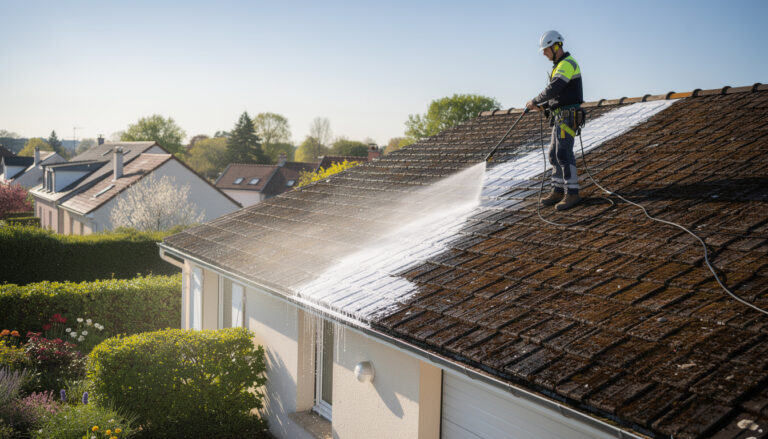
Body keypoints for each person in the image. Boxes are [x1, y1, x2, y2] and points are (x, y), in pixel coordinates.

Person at [526, 30, 583, 210]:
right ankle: (557, 190)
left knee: (563, 153)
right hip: (560, 116)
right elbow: (557, 97)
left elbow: (554, 88)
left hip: (568, 115)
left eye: (545, 49)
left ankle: (572, 193)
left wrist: (534, 100)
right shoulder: (558, 66)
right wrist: (543, 107)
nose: (543, 53)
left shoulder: (567, 63)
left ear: (556, 46)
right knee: (553, 154)